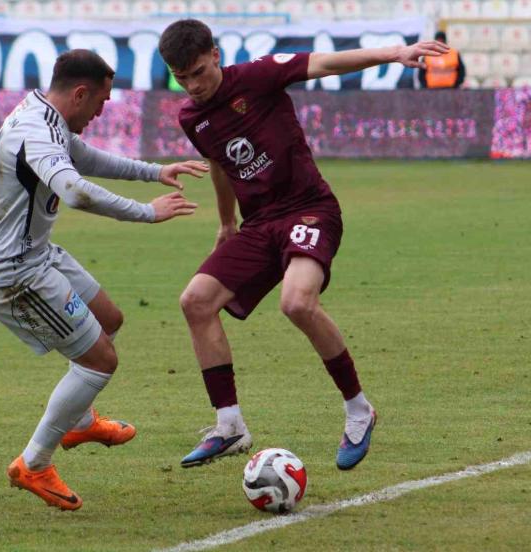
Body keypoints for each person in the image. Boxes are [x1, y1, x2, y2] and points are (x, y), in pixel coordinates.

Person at [158, 19, 447, 470]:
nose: (193, 85)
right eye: (182, 78)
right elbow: (219, 164)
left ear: (215, 55)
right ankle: (229, 425)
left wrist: (395, 53)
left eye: (198, 72)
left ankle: (359, 409)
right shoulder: (191, 118)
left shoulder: (258, 75)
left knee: (296, 302)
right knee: (195, 301)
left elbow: (326, 63)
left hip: (309, 209)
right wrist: (226, 222)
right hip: (259, 225)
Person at [0, 49, 206, 510]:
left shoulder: (45, 114)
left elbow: (84, 159)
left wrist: (155, 172)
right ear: (80, 93)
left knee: (109, 319)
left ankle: (78, 422)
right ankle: (34, 463)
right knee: (100, 361)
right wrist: (146, 212)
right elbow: (75, 191)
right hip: (13, 274)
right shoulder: (37, 131)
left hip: (36, 254)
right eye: (100, 101)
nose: (101, 111)